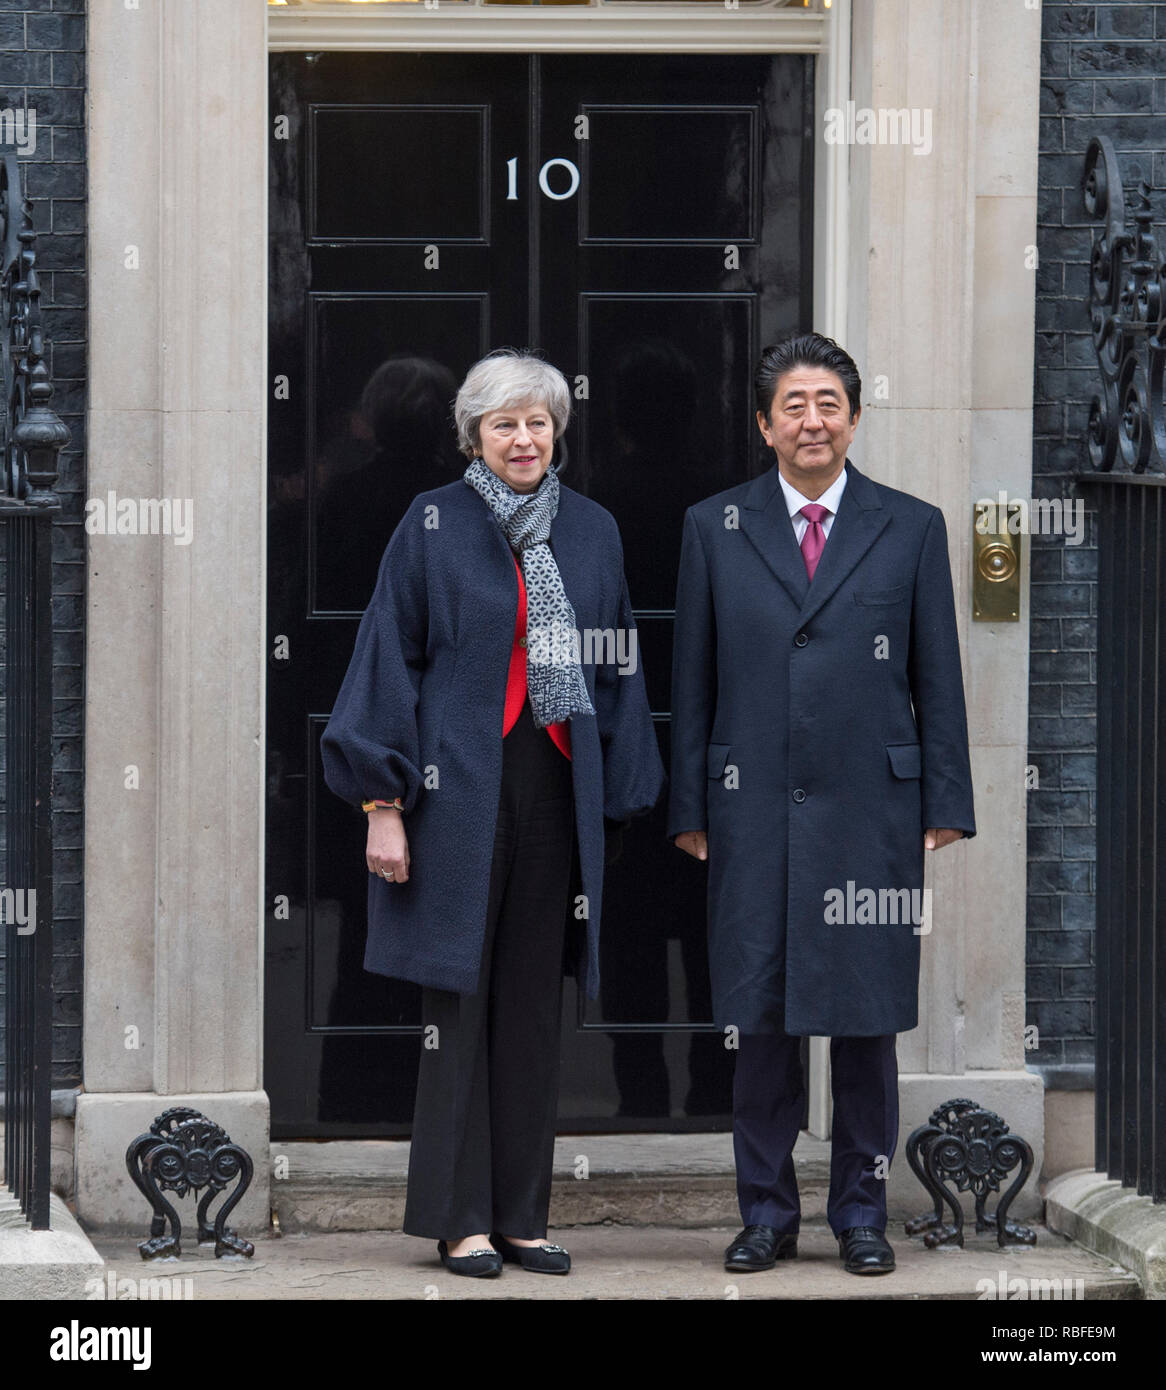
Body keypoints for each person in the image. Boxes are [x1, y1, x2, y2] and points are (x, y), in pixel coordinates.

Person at [321, 348, 664, 1277]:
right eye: (504, 423)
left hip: (556, 788)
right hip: (454, 792)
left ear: (559, 432)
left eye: (538, 422)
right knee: (457, 1006)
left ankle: (521, 1215)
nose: (523, 438)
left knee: (529, 1010)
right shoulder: (432, 523)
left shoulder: (592, 530)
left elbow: (618, 668)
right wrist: (381, 803)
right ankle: (458, 1217)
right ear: (474, 435)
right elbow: (386, 658)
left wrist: (627, 796)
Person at [667, 331, 976, 1276]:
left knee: (865, 1022)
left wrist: (946, 799)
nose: (812, 420)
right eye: (793, 405)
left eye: (828, 403)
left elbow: (939, 676)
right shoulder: (712, 526)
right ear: (765, 424)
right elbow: (694, 678)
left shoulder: (911, 525)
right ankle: (765, 1214)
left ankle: (861, 1214)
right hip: (750, 807)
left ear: (853, 416)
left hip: (872, 814)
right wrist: (690, 805)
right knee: (758, 1026)